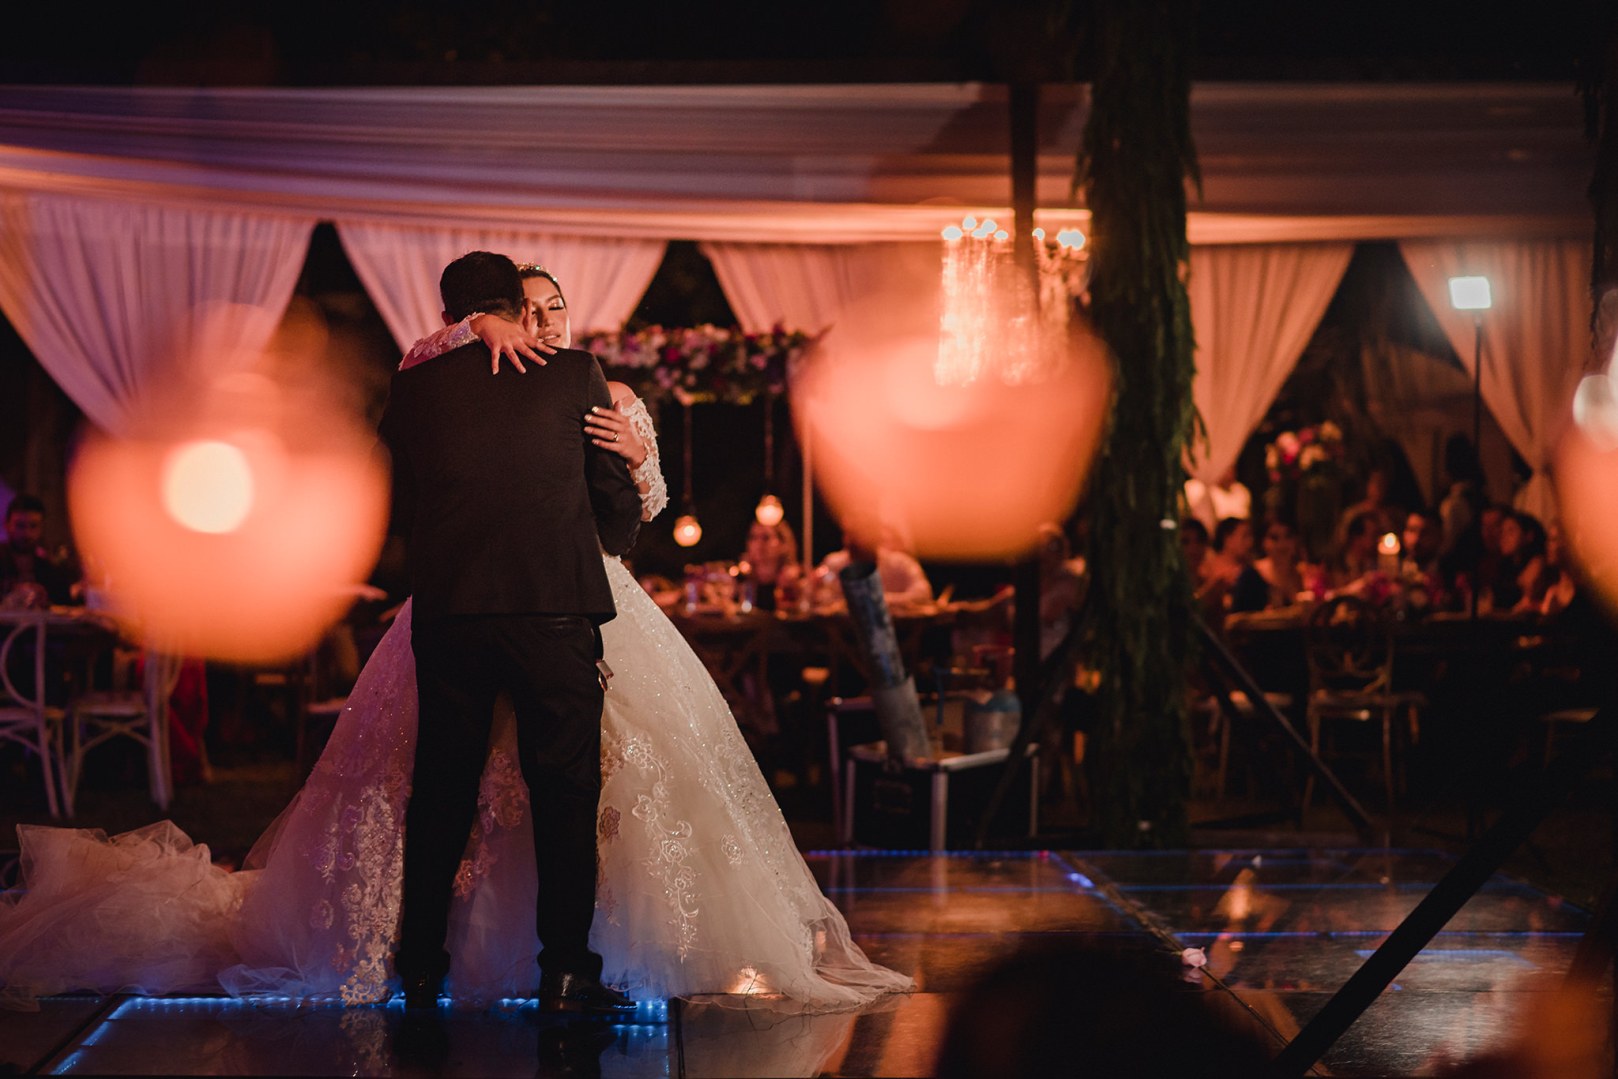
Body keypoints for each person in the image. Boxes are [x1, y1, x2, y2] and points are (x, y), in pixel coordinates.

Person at [0, 259, 912, 1015]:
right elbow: (612, 519)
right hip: (557, 608)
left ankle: (421, 963)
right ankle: (566, 969)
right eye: (529, 305)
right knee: (566, 794)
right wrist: (599, 496)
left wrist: (604, 462)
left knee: (438, 793)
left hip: (450, 611)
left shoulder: (416, 385)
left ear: (451, 316)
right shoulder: (576, 377)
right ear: (509, 309)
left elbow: (400, 485)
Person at [0, 494, 79, 608]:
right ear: (6, 525)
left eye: (33, 526)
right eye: (20, 526)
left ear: (41, 528)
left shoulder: (49, 567)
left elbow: (65, 605)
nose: (26, 533)